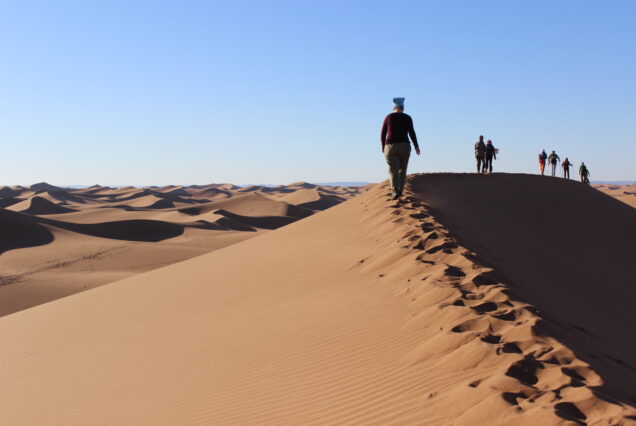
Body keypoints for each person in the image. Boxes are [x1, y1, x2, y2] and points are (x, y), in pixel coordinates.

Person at [380, 97, 420, 200]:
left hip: (390, 146)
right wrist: (416, 146)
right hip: (405, 146)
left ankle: (395, 191)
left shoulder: (388, 117)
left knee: (393, 169)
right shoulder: (407, 118)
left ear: (394, 107)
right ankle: (400, 191)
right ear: (403, 107)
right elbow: (412, 133)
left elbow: (383, 133)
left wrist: (382, 147)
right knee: (403, 169)